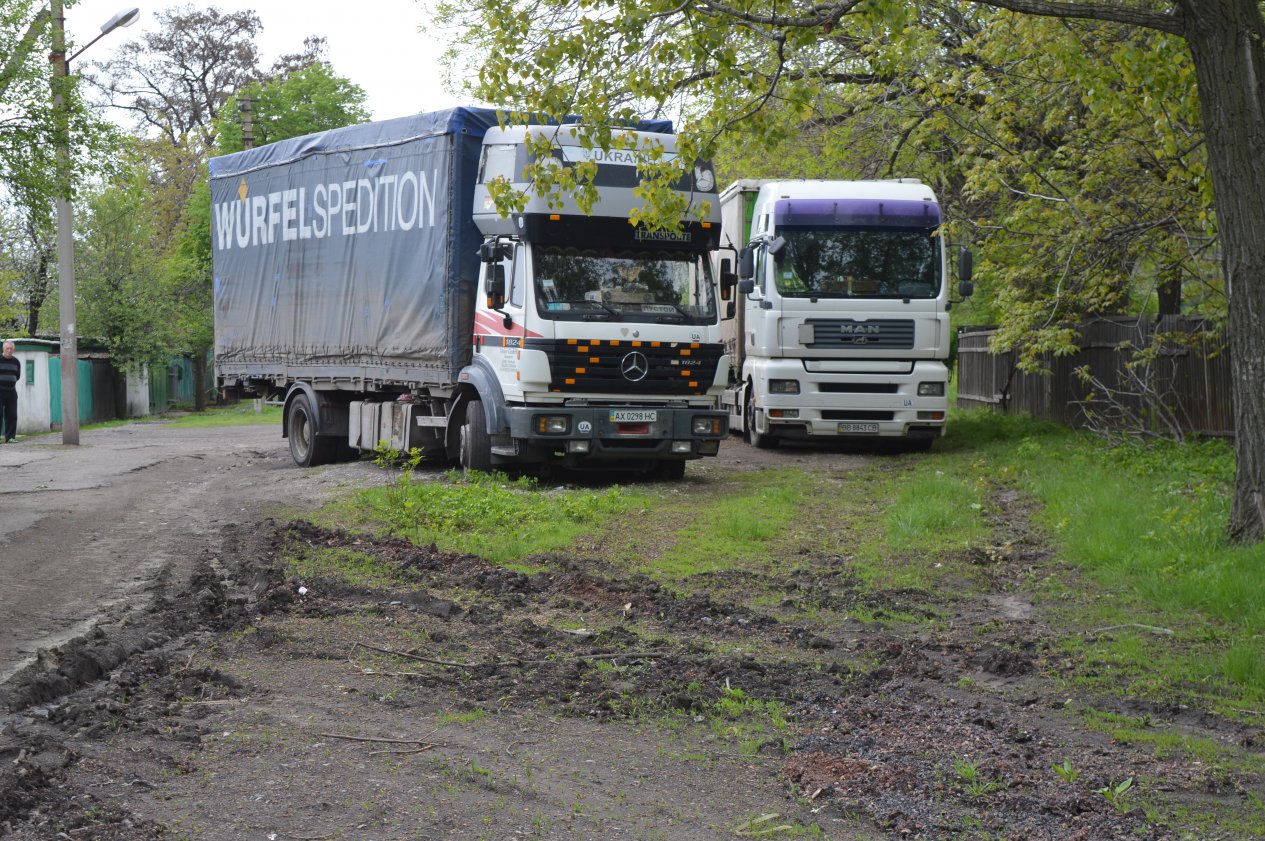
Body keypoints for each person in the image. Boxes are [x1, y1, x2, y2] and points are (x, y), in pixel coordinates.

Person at [0, 341, 19, 443]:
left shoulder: (16, 361)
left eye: (11, 349)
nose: (9, 350)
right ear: (3, 349)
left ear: (13, 350)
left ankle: (10, 437)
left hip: (11, 391)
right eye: (7, 348)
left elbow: (17, 376)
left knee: (12, 414)